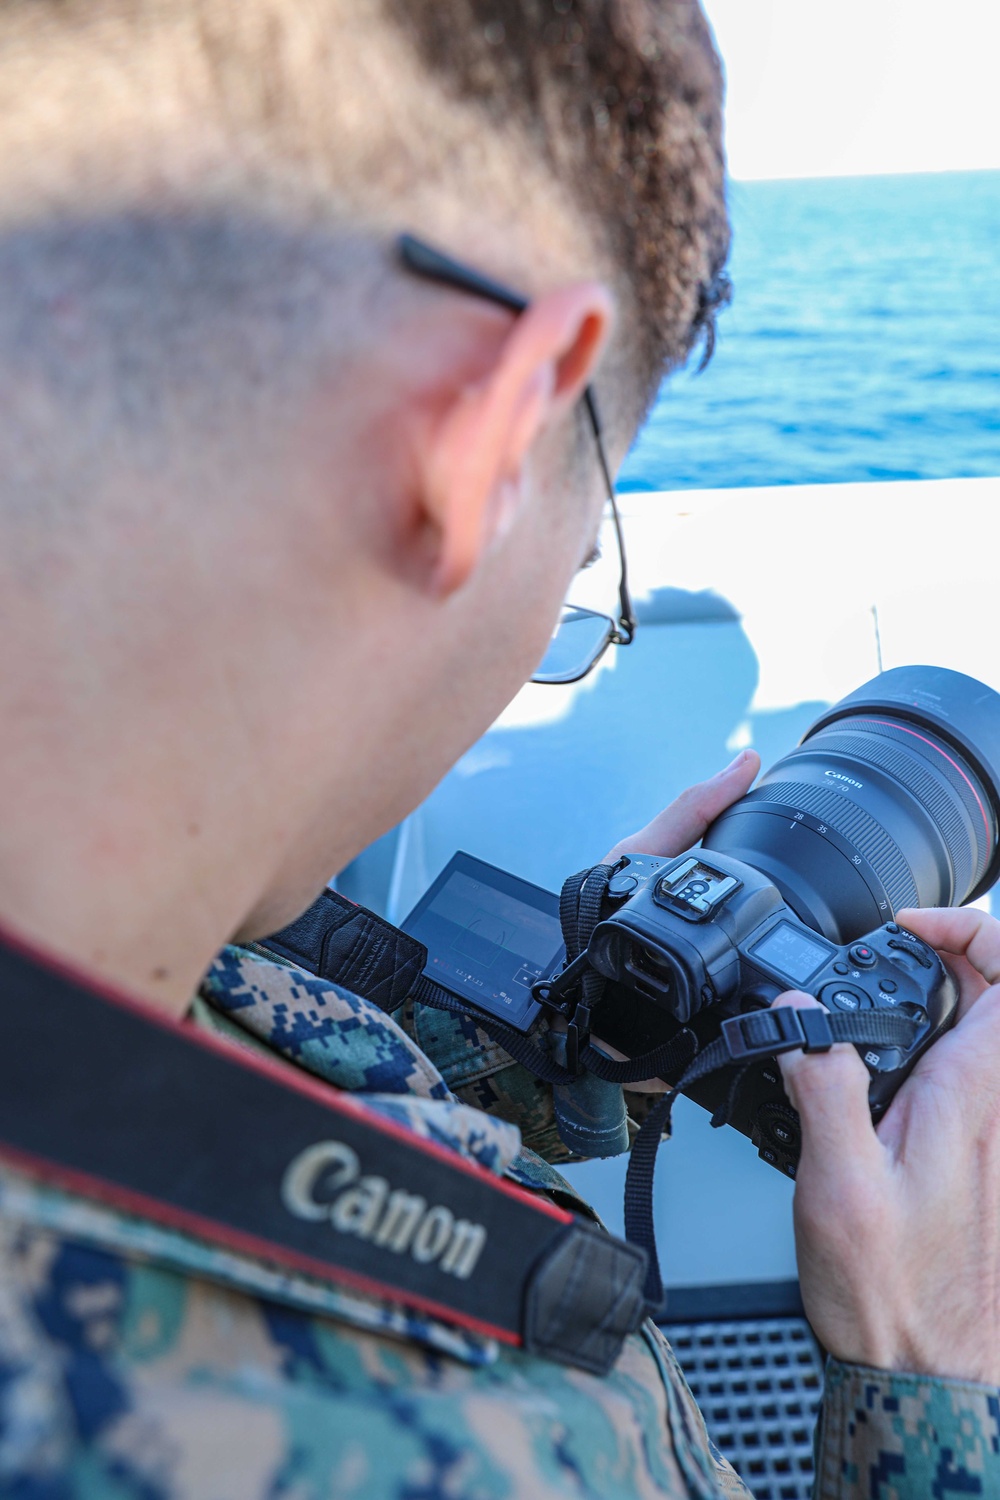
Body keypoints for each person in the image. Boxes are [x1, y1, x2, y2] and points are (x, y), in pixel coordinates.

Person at [0, 1, 998, 1495]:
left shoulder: (144, 934)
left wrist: (583, 1034)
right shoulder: (479, 1453)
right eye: (587, 546)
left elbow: (240, 1029)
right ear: (483, 435)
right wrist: (925, 1371)